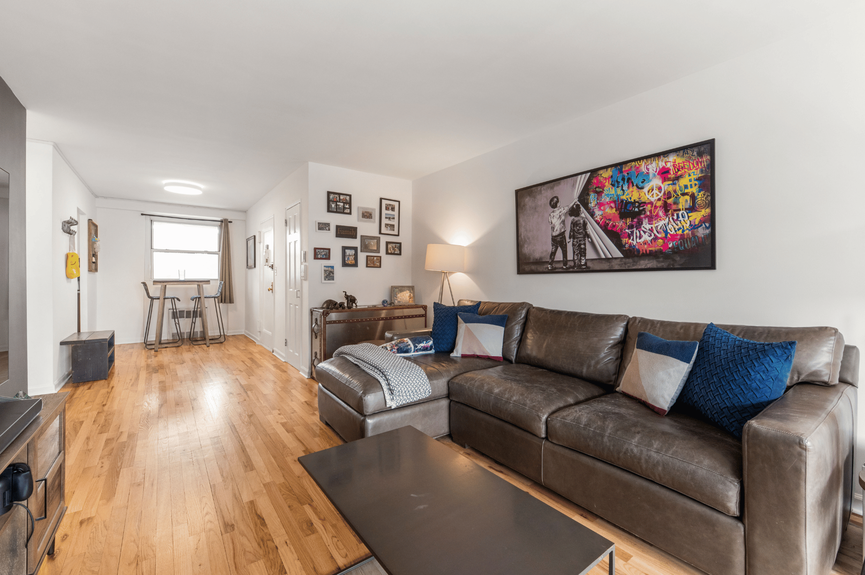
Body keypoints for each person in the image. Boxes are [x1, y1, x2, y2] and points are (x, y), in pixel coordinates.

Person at [547, 196, 569, 270]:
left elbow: (550, 222)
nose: (560, 203)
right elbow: (568, 207)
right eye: (558, 202)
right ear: (558, 204)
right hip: (561, 235)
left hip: (553, 236)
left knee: (553, 250)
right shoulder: (561, 210)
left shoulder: (550, 214)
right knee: (564, 250)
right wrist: (574, 201)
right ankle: (565, 265)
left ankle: (550, 265)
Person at [568, 201, 588, 269]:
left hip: (575, 239)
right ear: (579, 211)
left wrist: (569, 238)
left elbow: (571, 230)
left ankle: (576, 264)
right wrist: (588, 237)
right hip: (582, 239)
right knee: (583, 251)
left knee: (575, 252)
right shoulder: (584, 219)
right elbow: (586, 230)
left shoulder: (573, 220)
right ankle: (583, 264)